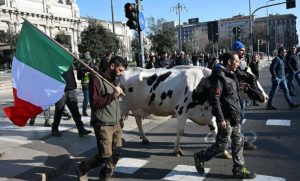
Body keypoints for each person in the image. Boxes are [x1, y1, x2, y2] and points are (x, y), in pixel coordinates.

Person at [193, 52, 256, 179]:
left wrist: (240, 88)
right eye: (236, 61)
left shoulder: (231, 75)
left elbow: (230, 93)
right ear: (229, 61)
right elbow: (215, 99)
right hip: (226, 118)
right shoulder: (219, 77)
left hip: (234, 116)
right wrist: (220, 119)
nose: (238, 64)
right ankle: (200, 156)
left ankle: (238, 168)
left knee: (238, 141)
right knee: (221, 145)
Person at [76, 56, 127, 181]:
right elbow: (95, 103)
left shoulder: (114, 80)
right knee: (105, 155)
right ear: (112, 66)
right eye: (120, 70)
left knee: (117, 153)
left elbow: (114, 101)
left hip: (116, 122)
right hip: (103, 123)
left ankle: (105, 176)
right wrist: (113, 95)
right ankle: (82, 168)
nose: (121, 74)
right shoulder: (96, 79)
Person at [51, 65, 92, 137]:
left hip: (71, 88)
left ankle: (81, 129)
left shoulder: (68, 60)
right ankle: (54, 129)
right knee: (59, 110)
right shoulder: (57, 61)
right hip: (61, 89)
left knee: (75, 111)